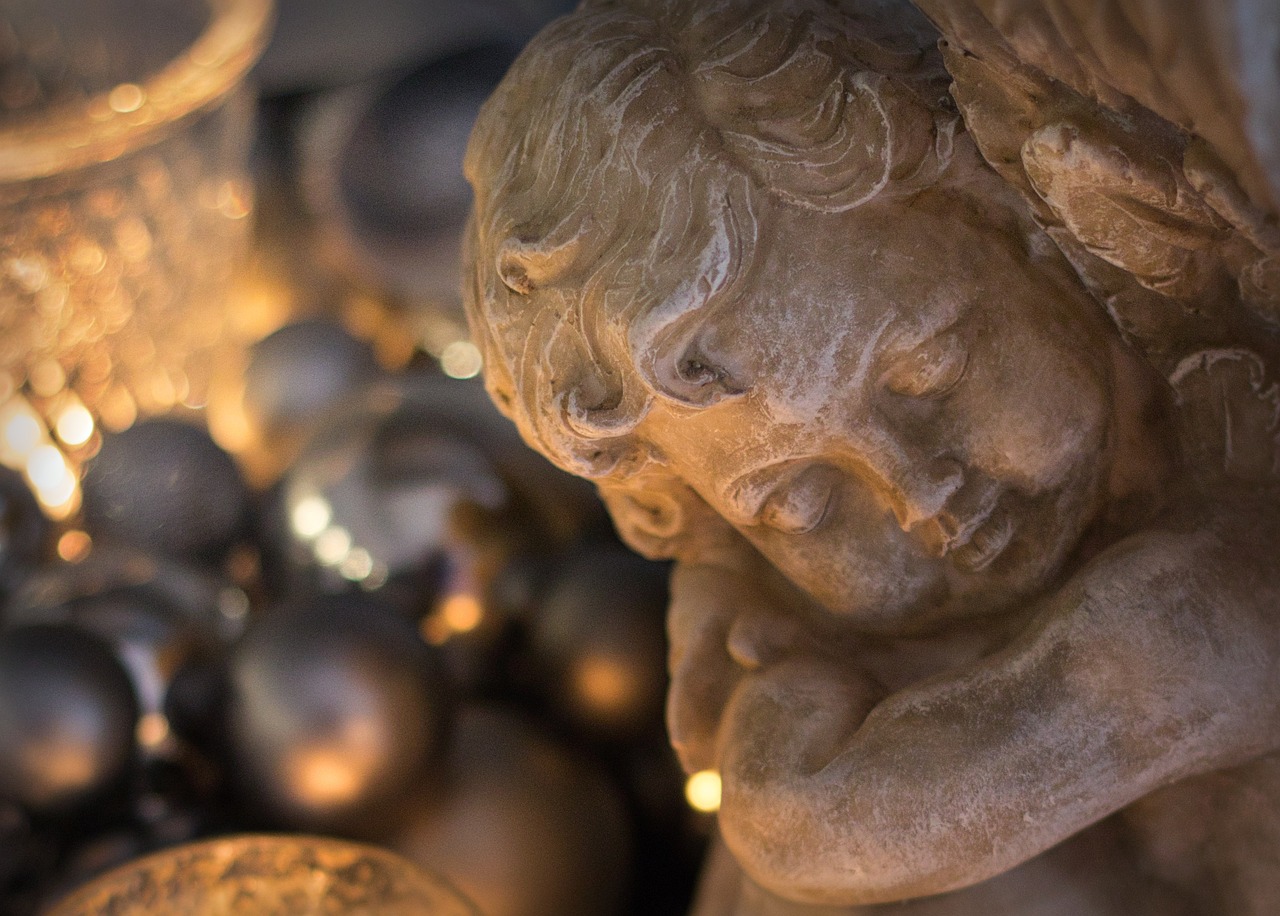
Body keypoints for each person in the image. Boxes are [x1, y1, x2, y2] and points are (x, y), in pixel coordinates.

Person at [463, 0, 1280, 911]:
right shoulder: (834, 614)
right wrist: (734, 579)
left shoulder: (1228, 526)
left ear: (1021, 225)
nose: (918, 496)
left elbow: (836, 818)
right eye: (798, 504)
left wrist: (792, 812)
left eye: (927, 374)